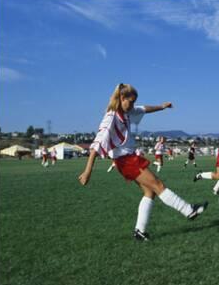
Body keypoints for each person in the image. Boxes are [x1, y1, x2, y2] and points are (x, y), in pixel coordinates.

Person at [78, 83, 208, 241]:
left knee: (150, 192)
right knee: (158, 185)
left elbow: (144, 109)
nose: (132, 105)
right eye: (130, 101)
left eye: (133, 102)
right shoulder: (111, 117)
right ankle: (188, 210)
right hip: (125, 160)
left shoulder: (126, 111)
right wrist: (88, 171)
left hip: (129, 158)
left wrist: (161, 107)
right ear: (121, 98)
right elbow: (96, 145)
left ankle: (139, 231)